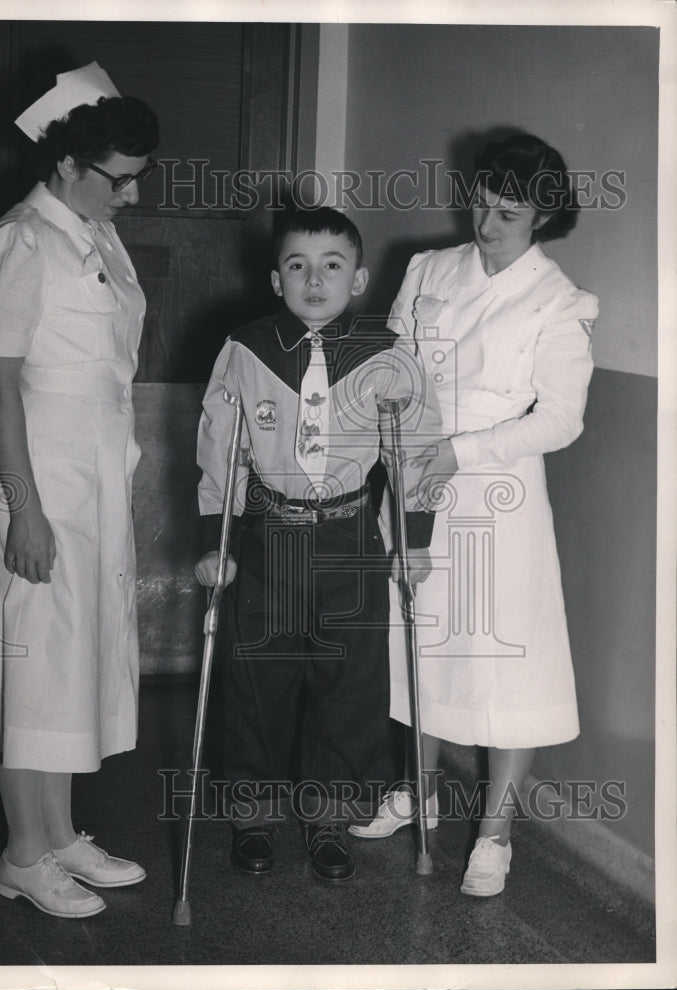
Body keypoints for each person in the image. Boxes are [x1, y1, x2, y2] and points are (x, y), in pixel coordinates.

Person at [0, 63, 160, 918]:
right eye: (119, 179)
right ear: (66, 166)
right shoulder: (21, 240)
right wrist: (25, 510)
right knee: (30, 668)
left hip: (89, 477)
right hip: (37, 483)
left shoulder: (90, 235)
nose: (131, 196)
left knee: (68, 663)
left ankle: (58, 834)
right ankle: (22, 855)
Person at [347, 132, 599, 898]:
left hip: (497, 496)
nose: (487, 226)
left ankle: (493, 835)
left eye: (508, 215)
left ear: (542, 218)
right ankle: (414, 791)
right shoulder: (428, 270)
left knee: (502, 663)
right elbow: (390, 364)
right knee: (416, 644)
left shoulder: (557, 301)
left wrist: (461, 451)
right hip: (413, 481)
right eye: (481, 207)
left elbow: (560, 420)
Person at [194, 206, 441, 883]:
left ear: (357, 278)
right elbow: (219, 448)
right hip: (267, 536)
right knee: (257, 677)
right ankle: (253, 812)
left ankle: (329, 815)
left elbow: (414, 452)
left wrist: (412, 541)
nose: (313, 278)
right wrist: (214, 540)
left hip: (348, 537)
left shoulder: (386, 355)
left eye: (331, 265)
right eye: (296, 265)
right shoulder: (245, 349)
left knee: (348, 683)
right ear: (275, 279)